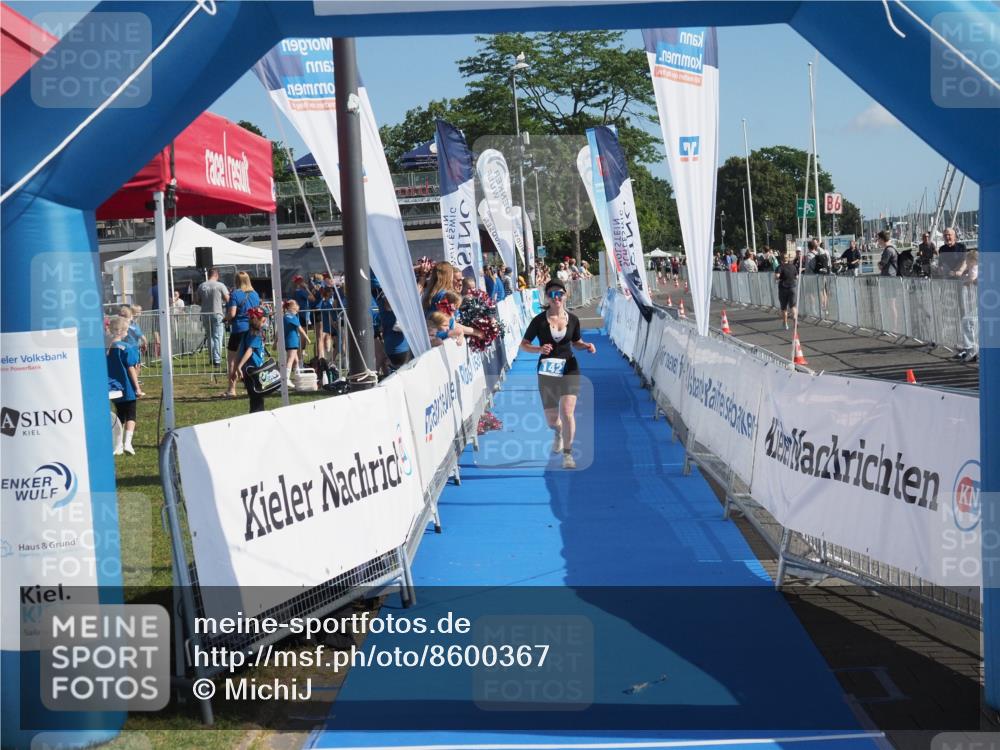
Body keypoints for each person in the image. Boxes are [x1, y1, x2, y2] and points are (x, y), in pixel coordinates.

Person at [520, 279, 597, 470]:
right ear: (547, 297)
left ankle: (568, 454)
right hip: (547, 371)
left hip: (569, 367)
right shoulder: (538, 321)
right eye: (552, 294)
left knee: (568, 412)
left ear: (565, 295)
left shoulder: (573, 319)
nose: (556, 297)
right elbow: (524, 344)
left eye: (560, 294)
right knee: (552, 419)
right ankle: (558, 432)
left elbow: (576, 342)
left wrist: (586, 346)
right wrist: (538, 349)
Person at [106, 316, 144, 456]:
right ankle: (128, 443)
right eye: (127, 330)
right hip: (127, 386)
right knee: (131, 415)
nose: (128, 333)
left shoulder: (107, 348)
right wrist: (137, 388)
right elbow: (131, 368)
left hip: (113, 388)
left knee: (119, 415)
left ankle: (118, 445)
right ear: (121, 331)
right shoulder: (126, 348)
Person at [224, 271, 261, 398]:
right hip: (252, 328)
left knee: (232, 360)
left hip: (238, 329)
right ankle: (252, 385)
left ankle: (232, 389)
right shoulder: (255, 294)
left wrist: (225, 318)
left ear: (237, 280)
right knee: (249, 358)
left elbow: (232, 313)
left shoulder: (235, 294)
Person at [236, 308, 269, 413]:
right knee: (258, 399)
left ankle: (255, 415)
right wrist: (238, 366)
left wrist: (237, 367)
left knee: (254, 399)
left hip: (247, 371)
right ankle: (257, 418)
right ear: (262, 319)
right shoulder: (256, 335)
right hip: (254, 371)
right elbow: (249, 351)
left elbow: (239, 351)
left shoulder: (246, 333)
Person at [196, 268, 229, 367]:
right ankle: (217, 360)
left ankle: (212, 358)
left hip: (205, 314)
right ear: (216, 275)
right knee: (217, 337)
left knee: (210, 337)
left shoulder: (201, 286)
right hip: (217, 313)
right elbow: (227, 299)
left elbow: (196, 300)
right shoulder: (220, 285)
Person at [954, 249, 979, 362]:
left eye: (968, 261)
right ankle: (972, 349)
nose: (966, 263)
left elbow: (972, 279)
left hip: (975, 300)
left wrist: (965, 282)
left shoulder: (974, 268)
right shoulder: (974, 268)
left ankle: (973, 349)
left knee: (968, 323)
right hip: (975, 300)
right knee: (971, 323)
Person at [282, 299, 309, 379]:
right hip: (292, 341)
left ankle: (298, 376)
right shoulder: (292, 317)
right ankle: (286, 378)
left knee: (296, 360)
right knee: (290, 360)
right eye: (296, 310)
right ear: (292, 308)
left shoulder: (284, 316)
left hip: (288, 341)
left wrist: (275, 342)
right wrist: (307, 338)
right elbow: (300, 328)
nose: (297, 311)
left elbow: (279, 330)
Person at [775, 250, 800, 331]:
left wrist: (777, 278)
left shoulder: (779, 267)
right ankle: (795, 320)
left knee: (784, 307)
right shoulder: (793, 266)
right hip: (792, 287)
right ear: (788, 259)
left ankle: (785, 324)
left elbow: (777, 276)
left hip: (783, 288)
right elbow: (797, 277)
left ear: (781, 259)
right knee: (793, 306)